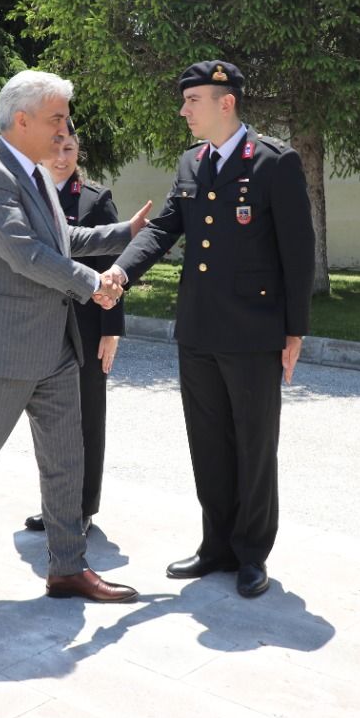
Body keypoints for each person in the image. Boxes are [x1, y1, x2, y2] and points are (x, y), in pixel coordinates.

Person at [0, 70, 149, 603]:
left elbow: (60, 237)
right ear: (21, 120)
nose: (63, 128)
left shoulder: (37, 172)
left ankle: (67, 566)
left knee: (66, 461)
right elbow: (24, 252)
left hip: (53, 350)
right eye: (56, 118)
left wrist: (125, 233)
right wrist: (94, 284)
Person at [109, 61, 314, 600]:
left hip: (252, 330)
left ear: (227, 102)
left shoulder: (274, 161)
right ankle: (215, 544)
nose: (183, 111)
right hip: (198, 328)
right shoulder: (191, 163)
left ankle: (251, 553)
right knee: (208, 443)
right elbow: (163, 228)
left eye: (192, 100)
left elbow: (298, 253)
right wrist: (121, 272)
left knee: (253, 444)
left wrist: (294, 332)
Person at [22, 122, 123, 535]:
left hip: (84, 328)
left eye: (70, 148)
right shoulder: (26, 197)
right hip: (37, 328)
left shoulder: (96, 201)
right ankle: (54, 504)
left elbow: (115, 269)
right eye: (55, 147)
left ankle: (81, 507)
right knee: (48, 423)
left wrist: (111, 329)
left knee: (85, 419)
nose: (63, 157)